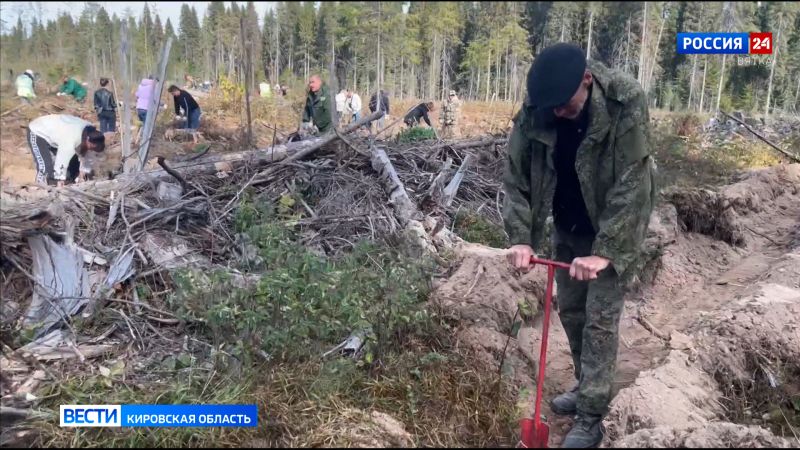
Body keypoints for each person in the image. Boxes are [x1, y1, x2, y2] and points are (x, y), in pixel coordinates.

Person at [502, 43, 657, 448]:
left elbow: (632, 183)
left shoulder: (625, 102)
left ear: (586, 80)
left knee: (599, 321)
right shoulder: (542, 105)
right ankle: (587, 384)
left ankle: (591, 416)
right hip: (567, 223)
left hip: (612, 226)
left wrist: (606, 250)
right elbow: (516, 176)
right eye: (551, 107)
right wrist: (521, 237)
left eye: (565, 106)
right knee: (571, 312)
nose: (557, 114)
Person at [26, 114, 106, 186]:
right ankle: (41, 187)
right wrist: (60, 179)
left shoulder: (90, 132)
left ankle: (70, 183)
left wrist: (84, 173)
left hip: (59, 134)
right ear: (87, 140)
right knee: (45, 166)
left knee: (73, 168)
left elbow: (89, 155)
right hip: (39, 130)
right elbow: (62, 161)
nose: (92, 150)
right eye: (92, 147)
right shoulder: (71, 140)